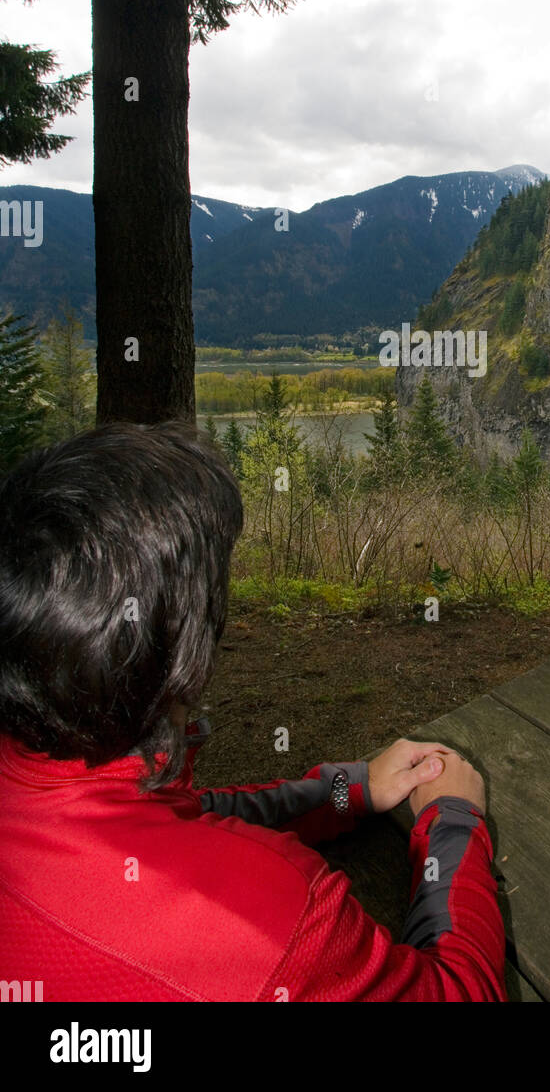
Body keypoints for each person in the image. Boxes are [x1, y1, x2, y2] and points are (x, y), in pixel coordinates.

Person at [0, 422, 506, 1002]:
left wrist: (350, 790)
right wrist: (453, 820)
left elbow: (174, 818)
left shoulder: (43, 765)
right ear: (184, 642)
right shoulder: (272, 925)